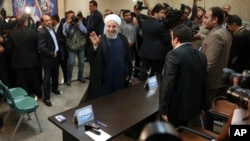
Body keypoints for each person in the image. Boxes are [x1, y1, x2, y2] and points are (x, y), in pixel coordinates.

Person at [159, 24, 210, 127]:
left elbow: (168, 82)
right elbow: (205, 81)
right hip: (194, 106)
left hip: (176, 108)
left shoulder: (173, 54)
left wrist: (163, 108)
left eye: (171, 37)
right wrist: (205, 105)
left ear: (176, 39)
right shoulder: (201, 55)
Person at [79, 14, 132, 104]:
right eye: (109, 26)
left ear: (118, 27)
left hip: (119, 76)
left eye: (114, 26)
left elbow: (127, 58)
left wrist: (127, 72)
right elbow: (93, 60)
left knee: (117, 99)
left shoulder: (123, 39)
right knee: (103, 101)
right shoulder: (101, 40)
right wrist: (95, 46)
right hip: (104, 77)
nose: (111, 29)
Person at [7, 15, 42, 98]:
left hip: (18, 62)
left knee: (22, 81)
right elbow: (36, 46)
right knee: (34, 78)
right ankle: (39, 94)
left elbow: (9, 48)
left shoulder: (11, 33)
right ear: (25, 22)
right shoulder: (32, 32)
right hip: (32, 60)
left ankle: (26, 96)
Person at [202, 7, 232, 101]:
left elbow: (209, 63)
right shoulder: (225, 32)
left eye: (206, 18)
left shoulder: (215, 35)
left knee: (207, 109)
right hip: (218, 79)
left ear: (215, 20)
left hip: (212, 82)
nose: (203, 20)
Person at [139, 4, 171, 81]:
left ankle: (139, 90)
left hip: (145, 51)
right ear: (155, 13)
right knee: (154, 74)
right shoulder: (160, 25)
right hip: (156, 54)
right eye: (161, 13)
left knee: (143, 72)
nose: (163, 15)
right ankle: (152, 91)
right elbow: (167, 39)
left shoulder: (144, 23)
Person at [37, 14, 62, 106]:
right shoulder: (42, 32)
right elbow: (41, 47)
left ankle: (55, 89)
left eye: (50, 20)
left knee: (56, 74)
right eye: (46, 21)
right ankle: (46, 98)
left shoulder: (52, 29)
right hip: (48, 58)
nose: (49, 22)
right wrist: (52, 53)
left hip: (55, 57)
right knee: (47, 78)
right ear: (43, 22)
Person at [63, 11, 88, 86]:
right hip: (71, 46)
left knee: (81, 62)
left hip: (80, 45)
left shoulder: (79, 22)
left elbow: (85, 31)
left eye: (72, 16)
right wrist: (68, 24)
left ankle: (80, 77)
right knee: (71, 63)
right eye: (70, 17)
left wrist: (79, 24)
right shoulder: (65, 24)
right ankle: (68, 79)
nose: (72, 18)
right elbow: (65, 33)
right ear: (67, 18)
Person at [52, 14, 68, 84]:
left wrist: (55, 41)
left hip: (62, 50)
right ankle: (55, 82)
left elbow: (64, 38)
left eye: (51, 20)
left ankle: (66, 79)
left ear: (55, 20)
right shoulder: (52, 28)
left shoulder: (62, 27)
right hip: (55, 52)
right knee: (55, 67)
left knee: (64, 66)